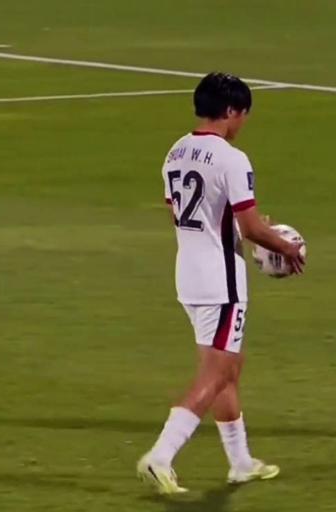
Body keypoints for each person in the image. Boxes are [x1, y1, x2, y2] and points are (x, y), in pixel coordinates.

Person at [137, 72, 306, 493]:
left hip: (188, 275)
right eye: (243, 114)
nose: (243, 123)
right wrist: (285, 247)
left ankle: (240, 462)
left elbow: (182, 214)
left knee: (227, 369)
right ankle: (161, 455)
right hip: (222, 282)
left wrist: (238, 228)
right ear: (231, 111)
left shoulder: (176, 151)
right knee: (217, 373)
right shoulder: (232, 158)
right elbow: (250, 227)